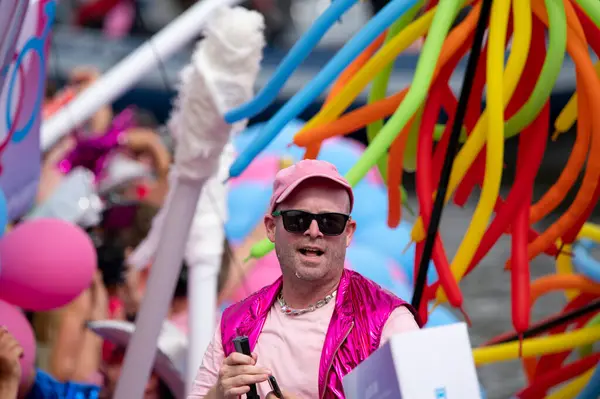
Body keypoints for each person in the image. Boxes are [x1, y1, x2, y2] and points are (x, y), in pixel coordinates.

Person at [189, 159, 421, 399]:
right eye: (297, 220)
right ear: (270, 227)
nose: (313, 231)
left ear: (348, 233)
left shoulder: (386, 321)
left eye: (330, 222)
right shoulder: (235, 323)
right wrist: (217, 395)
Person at [0, 320, 187, 399]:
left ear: (149, 381)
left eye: (119, 356)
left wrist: (7, 386)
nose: (103, 365)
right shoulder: (90, 395)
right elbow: (40, 384)